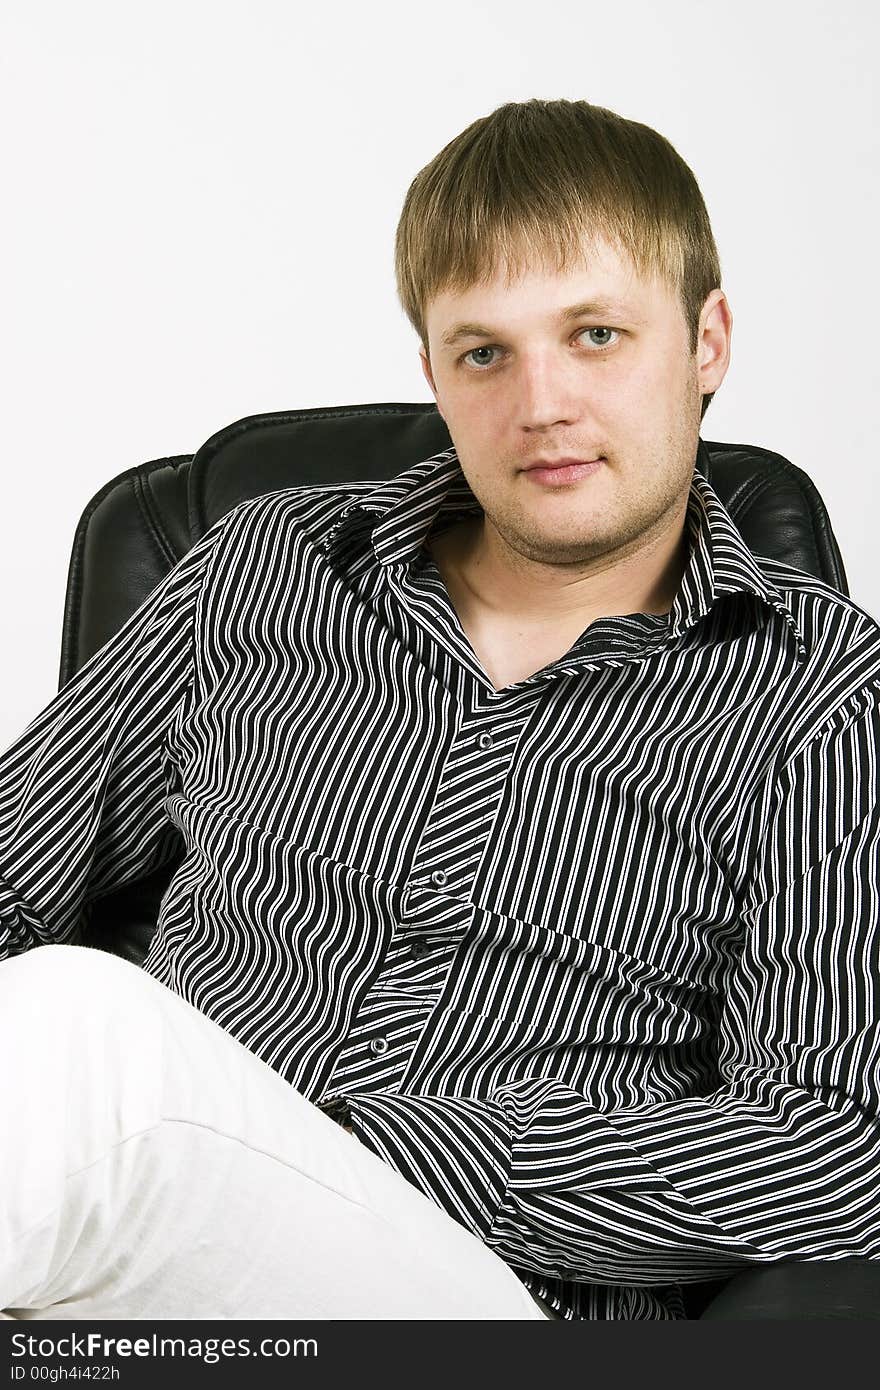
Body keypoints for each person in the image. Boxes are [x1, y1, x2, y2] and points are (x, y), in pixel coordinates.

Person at [1, 97, 879, 1323]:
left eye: (595, 335)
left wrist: (353, 1150)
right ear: (432, 373)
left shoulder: (823, 694)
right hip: (113, 1260)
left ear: (707, 341)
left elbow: (830, 1149)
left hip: (476, 1297)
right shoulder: (264, 566)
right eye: (484, 353)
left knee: (73, 1027)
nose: (541, 403)